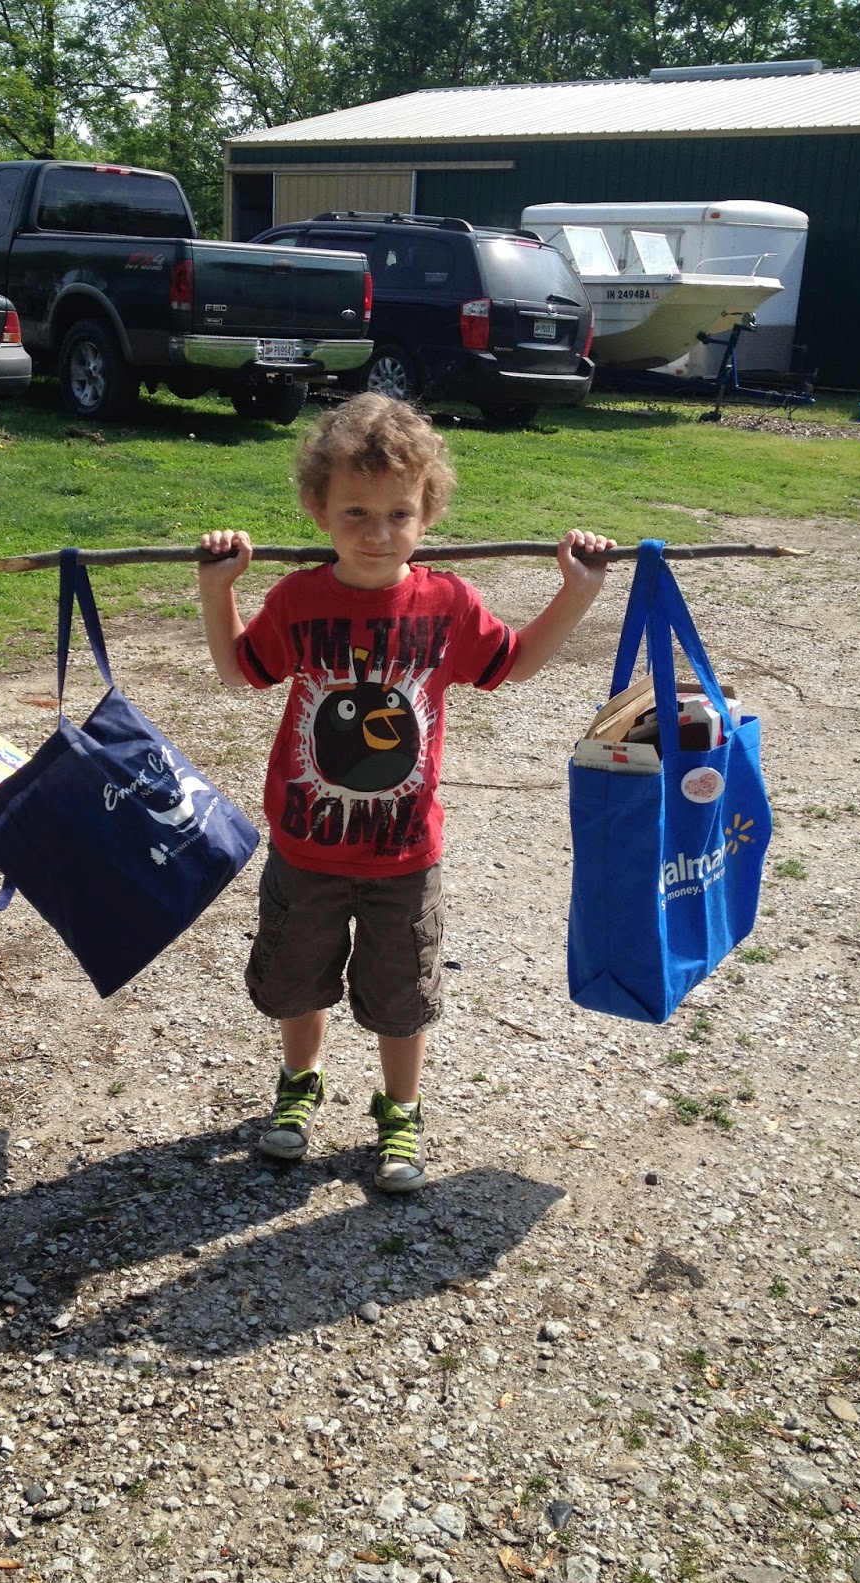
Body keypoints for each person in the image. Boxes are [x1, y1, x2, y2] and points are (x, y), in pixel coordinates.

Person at [197, 392, 615, 1193]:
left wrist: (580, 590)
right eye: (355, 512)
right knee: (298, 980)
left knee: (401, 996)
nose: (377, 533)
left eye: (399, 514)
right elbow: (238, 670)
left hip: (404, 855)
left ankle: (400, 1109)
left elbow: (515, 663)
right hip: (307, 846)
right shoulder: (299, 599)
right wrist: (219, 587)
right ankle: (299, 1084)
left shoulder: (446, 603)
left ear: (429, 515)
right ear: (318, 509)